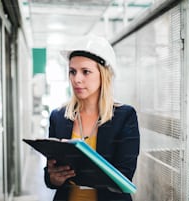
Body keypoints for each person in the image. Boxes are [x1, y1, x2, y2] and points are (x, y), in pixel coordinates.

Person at [44, 34, 140, 201]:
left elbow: (124, 177)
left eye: (86, 72)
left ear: (103, 75)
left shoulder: (124, 116)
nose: (77, 79)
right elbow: (50, 176)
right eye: (72, 72)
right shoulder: (58, 117)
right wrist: (54, 178)